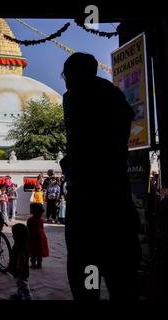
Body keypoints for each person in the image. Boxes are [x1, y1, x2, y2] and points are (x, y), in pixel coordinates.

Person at [62, 52, 141, 300]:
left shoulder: (75, 97)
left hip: (87, 200)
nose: (66, 81)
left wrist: (72, 165)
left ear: (74, 75)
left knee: (87, 268)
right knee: (120, 274)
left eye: (67, 75)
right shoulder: (113, 97)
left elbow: (81, 145)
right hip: (116, 194)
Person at [8, 223, 31, 300]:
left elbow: (21, 261)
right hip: (19, 270)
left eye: (14, 234)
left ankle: (27, 297)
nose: (13, 236)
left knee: (23, 284)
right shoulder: (20, 245)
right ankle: (20, 295)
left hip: (20, 271)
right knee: (20, 284)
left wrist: (18, 270)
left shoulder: (21, 247)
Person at [27, 203, 49, 268]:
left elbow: (28, 229)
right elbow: (42, 228)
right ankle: (39, 263)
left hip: (33, 236)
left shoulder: (30, 219)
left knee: (33, 250)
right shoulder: (41, 220)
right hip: (40, 236)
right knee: (39, 250)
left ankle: (33, 263)